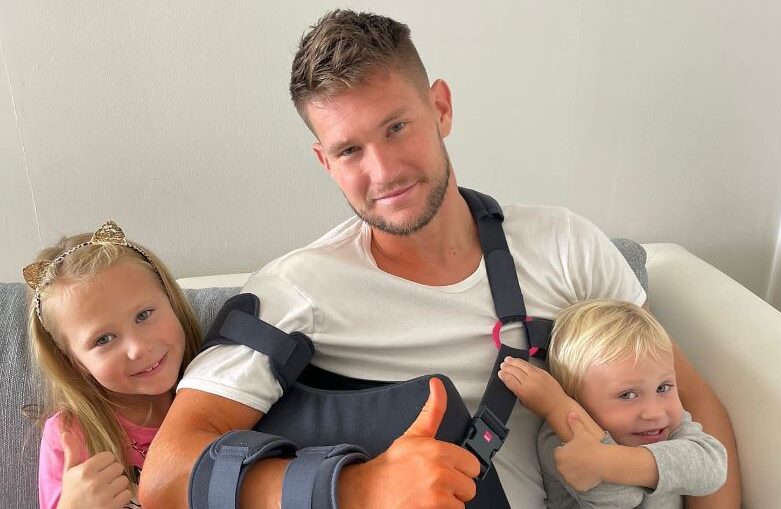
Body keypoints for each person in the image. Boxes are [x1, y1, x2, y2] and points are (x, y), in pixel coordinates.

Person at [141, 10, 739, 508]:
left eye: (397, 127)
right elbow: (167, 477)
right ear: (325, 162)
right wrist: (357, 488)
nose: (383, 171)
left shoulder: (567, 246)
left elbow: (694, 404)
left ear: (441, 108)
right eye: (350, 150)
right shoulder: (296, 289)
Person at [24, 220, 202, 509]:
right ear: (73, 360)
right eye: (103, 339)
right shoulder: (70, 436)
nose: (138, 348)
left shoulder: (220, 385)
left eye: (144, 315)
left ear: (171, 301)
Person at [499, 299, 727, 507]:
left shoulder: (669, 422)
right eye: (627, 395)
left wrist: (606, 460)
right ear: (576, 399)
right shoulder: (559, 438)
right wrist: (558, 407)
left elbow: (713, 467)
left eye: (663, 388)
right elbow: (622, 500)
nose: (654, 412)